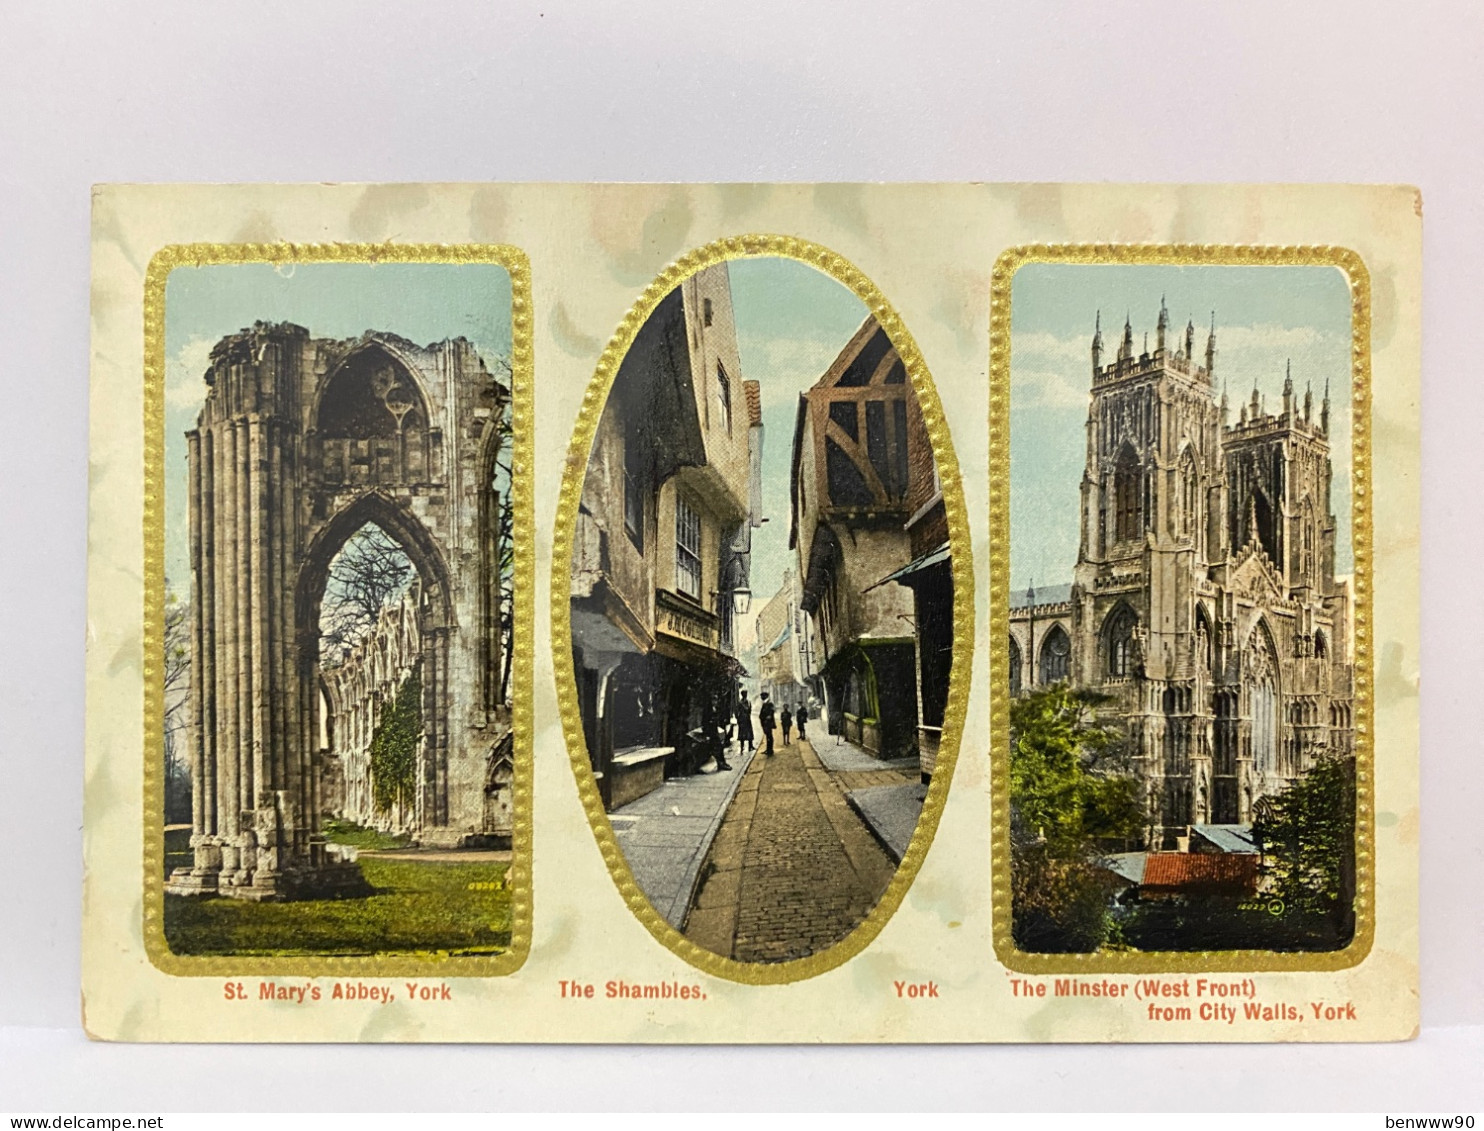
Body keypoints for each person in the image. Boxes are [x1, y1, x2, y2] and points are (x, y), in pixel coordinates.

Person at [734, 691, 754, 756]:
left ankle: (750, 746)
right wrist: (738, 718)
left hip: (747, 719)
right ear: (742, 695)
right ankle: (742, 747)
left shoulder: (748, 702)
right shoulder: (740, 703)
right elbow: (736, 711)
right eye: (744, 694)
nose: (745, 695)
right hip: (742, 720)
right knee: (742, 734)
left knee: (749, 733)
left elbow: (750, 710)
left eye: (746, 694)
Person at [758, 692, 777, 757]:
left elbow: (772, 712)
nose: (761, 698)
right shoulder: (765, 703)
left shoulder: (769, 703)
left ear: (765, 696)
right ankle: (768, 749)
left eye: (762, 696)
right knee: (768, 736)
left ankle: (770, 750)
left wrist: (767, 717)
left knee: (769, 736)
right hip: (765, 723)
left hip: (768, 723)